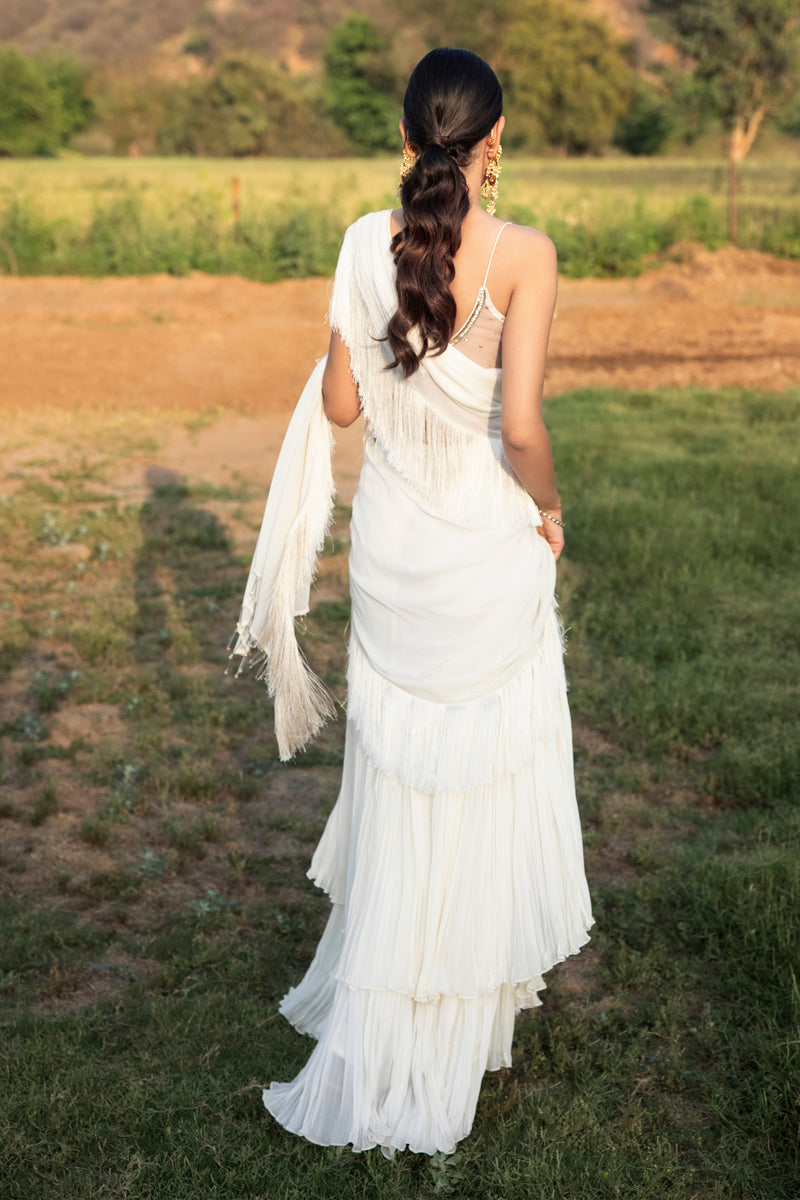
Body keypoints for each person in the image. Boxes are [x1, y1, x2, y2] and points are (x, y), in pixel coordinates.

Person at [231, 47, 593, 1158]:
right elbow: (520, 427)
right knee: (477, 777)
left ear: (403, 143)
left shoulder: (356, 245)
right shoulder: (522, 254)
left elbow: (342, 406)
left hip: (392, 557)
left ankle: (390, 1000)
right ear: (494, 144)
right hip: (480, 542)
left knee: (401, 780)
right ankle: (453, 1018)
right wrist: (550, 506)